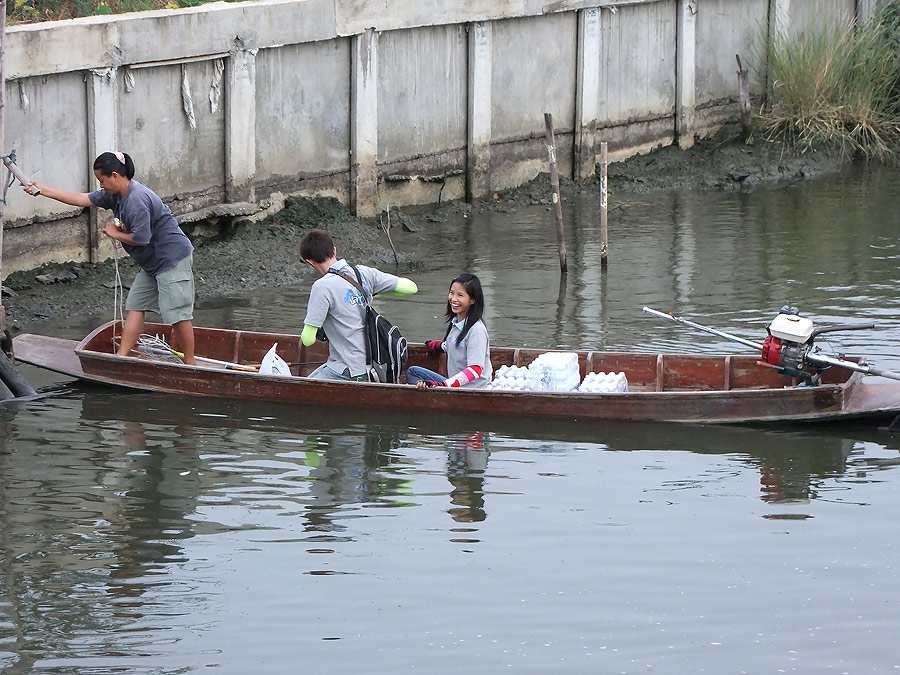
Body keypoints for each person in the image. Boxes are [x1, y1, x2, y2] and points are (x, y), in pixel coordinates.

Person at [28, 152, 196, 365]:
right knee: (136, 304)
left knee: (176, 315)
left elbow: (141, 239)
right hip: (152, 264)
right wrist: (44, 191)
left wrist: (115, 233)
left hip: (172, 259)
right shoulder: (115, 194)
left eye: (102, 180)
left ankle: (191, 365)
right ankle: (121, 357)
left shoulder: (137, 199)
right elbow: (83, 199)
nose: (101, 184)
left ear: (115, 176)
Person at [300, 228, 417, 381]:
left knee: (305, 384)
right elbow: (411, 288)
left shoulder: (321, 287)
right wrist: (375, 291)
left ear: (310, 261)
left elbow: (307, 339)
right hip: (374, 367)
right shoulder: (364, 273)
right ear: (334, 251)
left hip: (346, 370)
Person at [406, 273, 492, 389]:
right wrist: (438, 346)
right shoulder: (456, 323)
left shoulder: (476, 330)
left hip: (472, 391)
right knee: (413, 372)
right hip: (455, 386)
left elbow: (475, 370)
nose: (454, 299)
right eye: (452, 293)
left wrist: (444, 385)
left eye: (460, 295)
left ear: (472, 300)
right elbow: (454, 345)